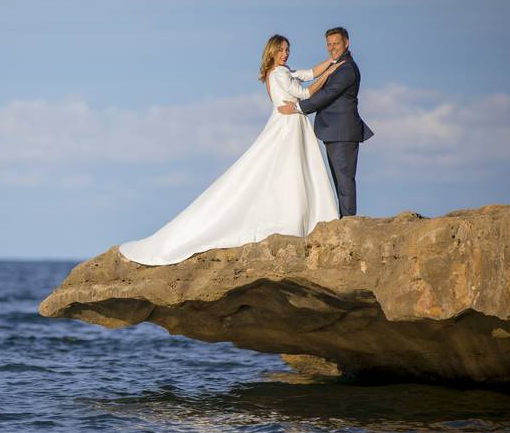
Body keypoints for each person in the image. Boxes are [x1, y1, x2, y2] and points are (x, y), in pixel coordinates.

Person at [118, 34, 342, 266]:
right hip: (288, 126)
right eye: (281, 50)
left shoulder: (278, 72)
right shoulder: (279, 73)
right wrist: (330, 73)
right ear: (272, 52)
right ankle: (294, 221)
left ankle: (296, 220)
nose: (285, 54)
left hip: (289, 123)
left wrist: (332, 60)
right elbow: (305, 93)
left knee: (287, 173)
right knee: (290, 172)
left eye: (287, 49)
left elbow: (308, 74)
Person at [277, 27, 373, 217]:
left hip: (343, 133)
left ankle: (348, 222)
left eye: (336, 44)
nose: (332, 48)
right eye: (329, 44)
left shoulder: (347, 68)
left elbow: (326, 95)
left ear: (346, 43)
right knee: (339, 181)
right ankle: (344, 219)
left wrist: (298, 108)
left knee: (344, 180)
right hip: (333, 132)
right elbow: (312, 78)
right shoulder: (336, 65)